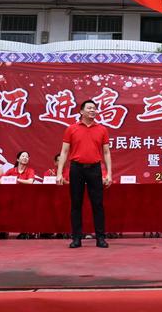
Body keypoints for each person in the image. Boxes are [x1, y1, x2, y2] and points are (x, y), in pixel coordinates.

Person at [56, 99, 112, 249]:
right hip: (76, 169)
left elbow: (106, 153)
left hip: (94, 169)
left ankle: (100, 238)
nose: (93, 110)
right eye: (89, 108)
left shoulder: (102, 129)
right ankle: (76, 238)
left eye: (94, 108)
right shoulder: (71, 129)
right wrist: (59, 172)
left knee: (98, 204)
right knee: (76, 204)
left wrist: (109, 174)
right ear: (81, 112)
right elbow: (64, 151)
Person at [0, 151, 35, 239]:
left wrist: (16, 180)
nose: (25, 158)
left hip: (24, 198)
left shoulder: (30, 170)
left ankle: (24, 231)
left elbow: (30, 182)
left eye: (27, 157)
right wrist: (7, 180)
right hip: (11, 198)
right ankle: (3, 230)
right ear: (18, 159)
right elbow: (0, 180)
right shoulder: (11, 171)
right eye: (23, 156)